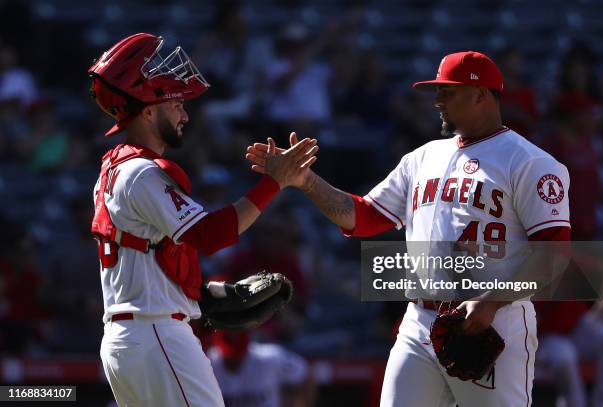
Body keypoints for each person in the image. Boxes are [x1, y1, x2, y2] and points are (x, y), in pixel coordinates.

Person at [247, 51, 571, 406]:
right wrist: (305, 181)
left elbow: (553, 256)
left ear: (480, 94)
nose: (437, 101)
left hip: (495, 320)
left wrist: (492, 303)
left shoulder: (531, 162)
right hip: (420, 321)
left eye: (448, 92)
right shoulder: (422, 158)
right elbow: (365, 216)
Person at [88, 33, 318, 407]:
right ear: (148, 111)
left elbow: (150, 257)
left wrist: (203, 297)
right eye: (175, 103)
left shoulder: (114, 169)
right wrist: (276, 181)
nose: (185, 113)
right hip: (155, 333)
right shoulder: (140, 173)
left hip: (134, 336)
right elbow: (213, 234)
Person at [208, 330, 315, 407]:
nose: (235, 359)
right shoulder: (209, 363)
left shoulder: (270, 357)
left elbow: (305, 373)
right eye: (230, 357)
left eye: (239, 355)